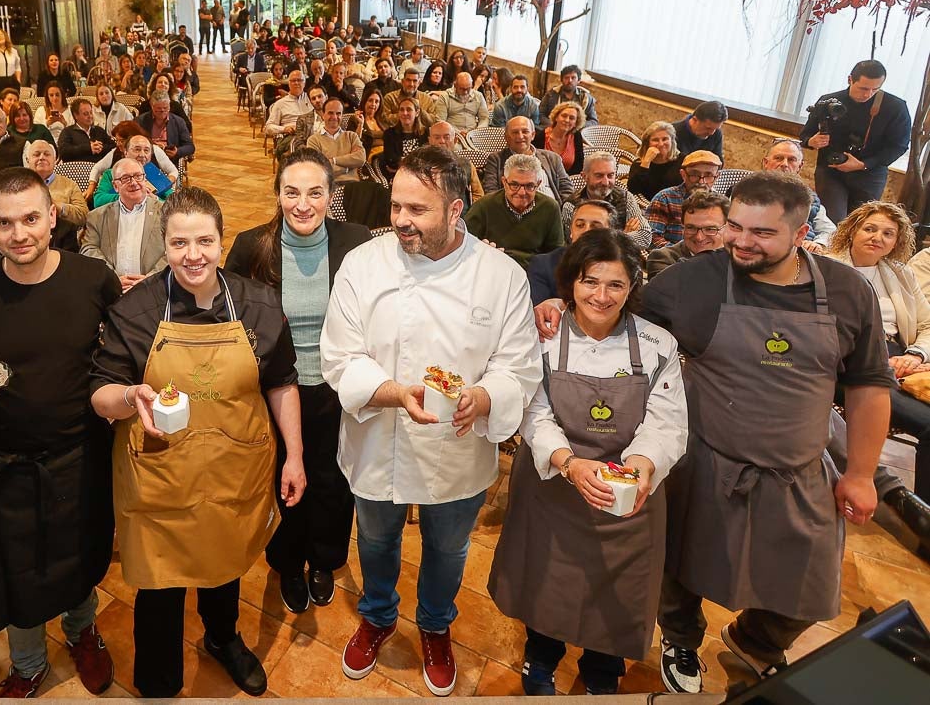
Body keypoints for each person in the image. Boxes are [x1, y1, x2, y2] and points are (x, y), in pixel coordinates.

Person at [533, 172, 891, 694]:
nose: (742, 241)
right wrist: (562, 306)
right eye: (735, 226)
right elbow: (618, 313)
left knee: (809, 586)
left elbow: (868, 385)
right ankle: (680, 637)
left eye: (762, 233)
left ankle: (758, 640)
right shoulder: (693, 281)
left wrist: (860, 472)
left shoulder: (845, 292)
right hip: (706, 460)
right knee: (680, 566)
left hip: (799, 467)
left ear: (799, 233)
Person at [321, 146, 541, 696]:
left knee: (448, 548)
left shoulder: (501, 276)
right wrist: (395, 393)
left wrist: (484, 399)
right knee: (374, 539)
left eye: (418, 209)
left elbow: (518, 365)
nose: (400, 220)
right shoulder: (364, 263)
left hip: (457, 448)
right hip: (378, 436)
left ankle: (436, 626)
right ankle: (376, 615)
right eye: (397, 206)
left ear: (456, 210)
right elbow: (340, 355)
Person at [90, 187, 306, 698]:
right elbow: (100, 394)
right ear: (163, 244)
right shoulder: (137, 311)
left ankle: (222, 638)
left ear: (221, 239)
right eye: (179, 243)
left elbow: (281, 380)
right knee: (160, 587)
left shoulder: (257, 303)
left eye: (205, 241)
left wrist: (294, 454)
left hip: (235, 469)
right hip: (161, 477)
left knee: (224, 564)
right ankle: (160, 680)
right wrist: (130, 396)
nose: (193, 256)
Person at [0, 168, 119, 697]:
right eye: (5, 223)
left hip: (81, 446)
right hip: (8, 453)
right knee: (16, 564)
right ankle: (28, 660)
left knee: (80, 552)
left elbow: (126, 347)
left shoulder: (92, 278)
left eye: (31, 219)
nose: (20, 234)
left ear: (52, 218)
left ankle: (83, 633)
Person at [490, 229, 688, 695]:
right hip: (552, 487)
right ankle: (541, 657)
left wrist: (640, 468)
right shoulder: (542, 337)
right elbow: (534, 410)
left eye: (615, 285)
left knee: (617, 588)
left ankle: (602, 670)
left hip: (630, 496)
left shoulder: (657, 344)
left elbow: (667, 420)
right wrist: (571, 464)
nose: (601, 296)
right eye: (589, 282)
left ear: (632, 287)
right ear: (570, 283)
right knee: (547, 579)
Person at [227, 149, 372, 615]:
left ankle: (324, 560)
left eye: (315, 192)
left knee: (332, 478)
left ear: (332, 195)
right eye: (292, 192)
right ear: (278, 195)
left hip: (337, 386)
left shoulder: (356, 242)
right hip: (275, 387)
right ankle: (287, 562)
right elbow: (226, 315)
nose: (303, 204)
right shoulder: (253, 246)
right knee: (283, 476)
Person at [823, 202, 930, 548]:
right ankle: (921, 520)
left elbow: (927, 324)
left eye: (888, 233)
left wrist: (915, 354)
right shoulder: (824, 266)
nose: (877, 238)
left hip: (902, 360)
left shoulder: (900, 274)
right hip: (850, 362)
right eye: (870, 229)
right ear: (852, 229)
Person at [800, 59, 912, 223]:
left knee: (859, 224)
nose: (868, 94)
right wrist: (812, 141)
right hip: (831, 171)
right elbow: (805, 135)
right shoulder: (829, 102)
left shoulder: (895, 107)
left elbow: (899, 146)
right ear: (850, 79)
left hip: (870, 174)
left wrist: (863, 164)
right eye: (863, 88)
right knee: (832, 222)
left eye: (876, 89)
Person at [465, 153, 566, 269]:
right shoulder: (484, 206)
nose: (522, 192)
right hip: (494, 268)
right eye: (514, 185)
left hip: (534, 273)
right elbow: (465, 246)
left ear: (538, 184)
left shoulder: (550, 207)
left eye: (529, 186)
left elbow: (556, 254)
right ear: (504, 182)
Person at [81, 158, 167, 289]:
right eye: (126, 178)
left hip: (154, 288)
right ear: (115, 186)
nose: (133, 183)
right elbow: (89, 249)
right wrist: (112, 278)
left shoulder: (167, 213)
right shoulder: (97, 217)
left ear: (145, 180)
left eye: (138, 176)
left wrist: (150, 279)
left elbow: (175, 250)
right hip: (111, 288)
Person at [527, 199, 614, 305]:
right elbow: (540, 312)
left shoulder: (620, 266)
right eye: (580, 225)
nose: (586, 231)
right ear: (571, 231)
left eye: (595, 227)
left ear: (610, 234)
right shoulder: (543, 265)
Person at [561, 150, 651, 249]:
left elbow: (645, 236)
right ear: (584, 176)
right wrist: (623, 236)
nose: (605, 182)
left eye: (610, 175)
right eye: (599, 176)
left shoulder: (625, 197)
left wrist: (602, 240)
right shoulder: (571, 206)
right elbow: (577, 246)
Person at [762, 139, 836, 252]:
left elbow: (830, 231)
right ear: (766, 163)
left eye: (791, 160)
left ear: (800, 166)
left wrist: (817, 244)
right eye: (778, 158)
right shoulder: (746, 192)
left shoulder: (809, 197)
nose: (784, 164)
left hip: (803, 254)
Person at [480, 116, 573, 202]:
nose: (520, 136)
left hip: (552, 212)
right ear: (506, 137)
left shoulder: (552, 158)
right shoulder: (496, 159)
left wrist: (563, 212)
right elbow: (491, 191)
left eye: (525, 132)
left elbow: (566, 189)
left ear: (532, 135)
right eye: (515, 132)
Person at [644, 190, 728, 280]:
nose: (699, 237)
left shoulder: (739, 258)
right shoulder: (663, 259)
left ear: (728, 228)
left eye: (710, 229)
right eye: (691, 228)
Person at [646, 150, 722, 248]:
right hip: (673, 259)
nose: (702, 181)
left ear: (716, 177)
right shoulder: (665, 199)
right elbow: (651, 237)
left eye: (708, 175)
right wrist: (681, 255)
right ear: (683, 175)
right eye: (694, 174)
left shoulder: (720, 203)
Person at [94, 132, 177, 207]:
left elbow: (174, 203)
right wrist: (127, 196)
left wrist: (154, 199)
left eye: (146, 150)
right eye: (137, 149)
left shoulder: (155, 175)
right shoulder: (111, 174)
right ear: (125, 152)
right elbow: (98, 200)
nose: (142, 154)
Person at [25, 139, 88, 226]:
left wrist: (55, 205)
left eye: (47, 154)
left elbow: (84, 217)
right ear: (27, 160)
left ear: (55, 160)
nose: (42, 157)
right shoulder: (18, 185)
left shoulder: (70, 185)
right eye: (36, 154)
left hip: (61, 236)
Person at [305, 96, 366, 183]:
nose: (334, 117)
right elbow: (317, 168)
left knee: (379, 191)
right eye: (330, 113)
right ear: (323, 115)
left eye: (338, 113)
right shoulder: (313, 140)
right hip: (329, 186)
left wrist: (333, 160)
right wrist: (347, 167)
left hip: (353, 185)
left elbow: (361, 158)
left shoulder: (352, 136)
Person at [427, 121, 484, 208]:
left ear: (455, 140)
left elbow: (478, 195)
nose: (442, 141)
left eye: (446, 137)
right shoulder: (420, 166)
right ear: (430, 141)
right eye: (437, 137)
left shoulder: (466, 165)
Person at [627, 121, 683, 200]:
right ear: (647, 144)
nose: (661, 144)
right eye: (655, 140)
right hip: (647, 206)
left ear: (672, 141)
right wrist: (646, 162)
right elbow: (633, 190)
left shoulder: (682, 160)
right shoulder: (638, 164)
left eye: (665, 139)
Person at [136, 90, 196, 162]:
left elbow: (190, 147)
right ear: (152, 106)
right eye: (158, 109)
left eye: (165, 108)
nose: (162, 112)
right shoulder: (140, 121)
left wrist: (177, 152)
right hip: (146, 159)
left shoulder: (178, 122)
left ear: (169, 106)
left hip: (169, 160)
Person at [379, 96, 429, 181]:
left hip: (421, 177)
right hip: (398, 177)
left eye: (409, 109)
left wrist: (401, 163)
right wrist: (416, 163)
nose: (404, 113)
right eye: (401, 110)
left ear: (417, 112)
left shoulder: (426, 133)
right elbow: (391, 160)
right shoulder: (389, 134)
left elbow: (427, 159)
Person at [265, 70, 315, 144]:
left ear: (304, 83)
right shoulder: (280, 104)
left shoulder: (312, 99)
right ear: (289, 84)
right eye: (293, 81)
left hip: (312, 134)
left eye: (299, 80)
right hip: (291, 136)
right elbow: (268, 128)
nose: (296, 83)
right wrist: (284, 129)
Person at [536, 100, 587, 173]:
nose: (567, 120)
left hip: (568, 180)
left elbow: (579, 166)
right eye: (564, 116)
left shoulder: (576, 137)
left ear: (576, 123)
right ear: (556, 117)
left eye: (572, 118)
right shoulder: (540, 137)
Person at [58, 97, 111, 162]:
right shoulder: (67, 132)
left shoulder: (99, 130)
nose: (90, 116)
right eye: (85, 114)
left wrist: (99, 148)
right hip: (76, 170)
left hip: (99, 168)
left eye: (91, 112)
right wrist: (88, 148)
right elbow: (64, 152)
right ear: (76, 115)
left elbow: (112, 147)